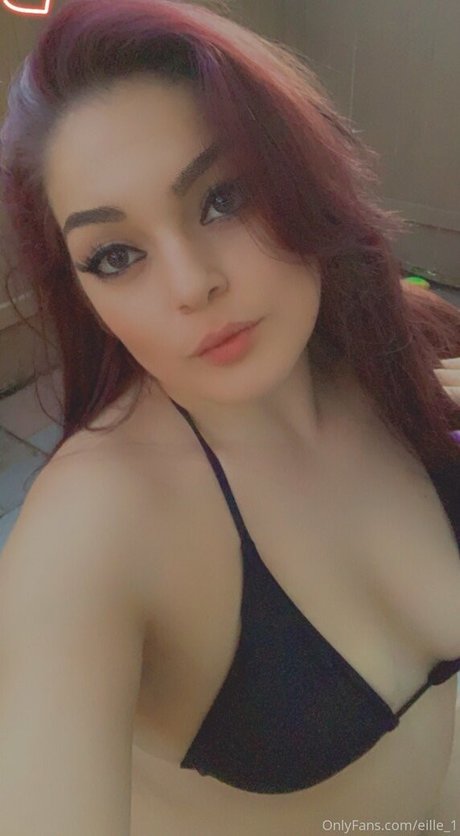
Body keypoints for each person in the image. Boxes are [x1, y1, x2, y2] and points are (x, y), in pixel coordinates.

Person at [0, 1, 459, 833]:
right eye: (116, 255)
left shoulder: (398, 351)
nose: (190, 284)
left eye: (223, 198)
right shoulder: (90, 534)